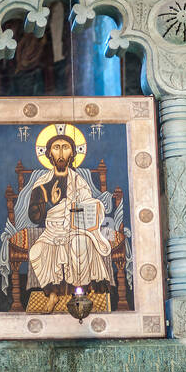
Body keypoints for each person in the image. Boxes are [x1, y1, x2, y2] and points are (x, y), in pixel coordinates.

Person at [26, 132, 112, 310]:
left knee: (80, 244)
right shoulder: (42, 183)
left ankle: (79, 294)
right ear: (49, 154)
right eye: (56, 148)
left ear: (72, 154)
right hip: (52, 231)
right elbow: (33, 216)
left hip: (76, 229)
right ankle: (52, 294)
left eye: (65, 148)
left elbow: (89, 205)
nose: (60, 153)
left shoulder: (79, 182)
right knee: (36, 251)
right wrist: (51, 202)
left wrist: (88, 210)